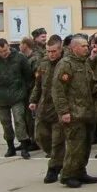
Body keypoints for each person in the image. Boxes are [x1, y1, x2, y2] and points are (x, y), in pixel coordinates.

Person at [50, 35, 97, 189]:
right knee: (75, 146)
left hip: (86, 112)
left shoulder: (84, 63)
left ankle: (80, 171)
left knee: (85, 145)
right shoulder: (66, 64)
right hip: (74, 113)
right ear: (74, 48)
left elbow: (90, 84)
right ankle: (68, 174)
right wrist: (64, 112)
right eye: (84, 46)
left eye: (87, 46)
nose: (88, 48)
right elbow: (58, 90)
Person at [0, 38, 33, 159]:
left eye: (5, 50)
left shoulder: (20, 58)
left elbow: (27, 74)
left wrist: (21, 87)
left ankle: (24, 146)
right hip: (0, 97)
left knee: (19, 120)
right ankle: (10, 146)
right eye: (0, 51)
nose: (3, 53)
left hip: (17, 95)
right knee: (5, 123)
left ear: (9, 47)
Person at [29, 36, 65, 183]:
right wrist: (33, 100)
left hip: (59, 108)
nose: (51, 54)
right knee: (40, 137)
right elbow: (38, 85)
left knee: (57, 141)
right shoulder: (43, 63)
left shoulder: (65, 64)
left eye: (54, 51)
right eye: (49, 51)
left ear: (60, 49)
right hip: (44, 107)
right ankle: (59, 160)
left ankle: (53, 169)